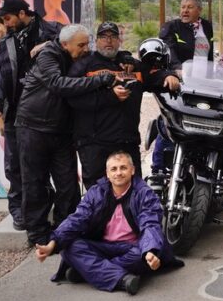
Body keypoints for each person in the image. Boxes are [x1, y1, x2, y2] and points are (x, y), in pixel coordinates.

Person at [35, 151, 184, 294]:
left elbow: (150, 223)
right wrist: (53, 242)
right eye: (114, 169)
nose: (118, 173)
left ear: (132, 170)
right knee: (68, 247)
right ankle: (121, 278)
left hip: (133, 247)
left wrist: (150, 251)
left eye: (123, 168)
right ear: (107, 174)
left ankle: (88, 271)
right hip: (104, 246)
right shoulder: (96, 193)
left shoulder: (145, 193)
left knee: (141, 256)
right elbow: (77, 218)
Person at [16, 24, 110, 247]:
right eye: (81, 45)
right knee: (34, 182)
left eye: (87, 44)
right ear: (65, 44)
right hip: (33, 127)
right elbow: (57, 84)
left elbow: (105, 57)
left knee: (68, 183)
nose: (86, 49)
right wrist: (100, 80)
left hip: (62, 130)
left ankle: (65, 231)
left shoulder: (78, 56)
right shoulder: (48, 55)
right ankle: (38, 234)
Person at [68, 22, 180, 189]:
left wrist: (170, 75)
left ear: (119, 40)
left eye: (113, 37)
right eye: (104, 37)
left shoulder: (130, 64)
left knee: (133, 191)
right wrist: (110, 97)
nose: (109, 41)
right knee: (98, 193)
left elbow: (153, 74)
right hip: (94, 143)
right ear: (96, 41)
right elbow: (73, 98)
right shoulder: (84, 65)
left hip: (127, 141)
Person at [0, 0, 63, 229]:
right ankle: (19, 211)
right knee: (14, 165)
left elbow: (74, 41)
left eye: (7, 18)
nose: (5, 24)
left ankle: (51, 206)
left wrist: (49, 44)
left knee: (47, 164)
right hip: (15, 112)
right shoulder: (7, 42)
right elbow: (2, 75)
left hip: (47, 110)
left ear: (21, 13)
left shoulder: (51, 30)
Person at [159, 0, 214, 69]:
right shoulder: (171, 26)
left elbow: (210, 54)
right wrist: (177, 68)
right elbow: (169, 50)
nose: (185, 10)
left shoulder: (207, 26)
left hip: (203, 78)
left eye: (190, 7)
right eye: (183, 7)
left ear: (199, 10)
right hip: (180, 77)